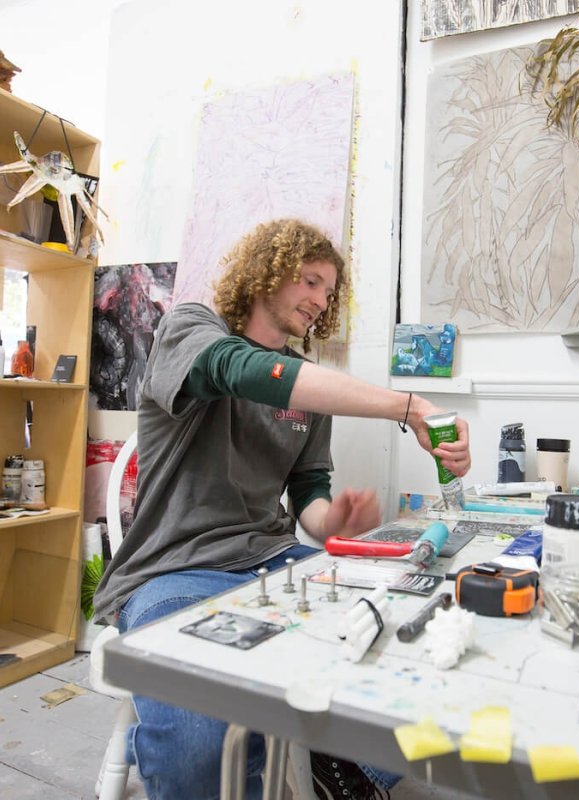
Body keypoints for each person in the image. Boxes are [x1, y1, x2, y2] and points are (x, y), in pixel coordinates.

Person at [93, 218, 471, 800]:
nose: (321, 301)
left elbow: (308, 500)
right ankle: (276, 761)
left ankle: (327, 773)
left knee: (412, 643)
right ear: (266, 273)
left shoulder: (309, 390)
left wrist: (335, 522)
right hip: (174, 570)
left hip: (275, 559)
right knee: (199, 740)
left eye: (329, 291)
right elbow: (240, 370)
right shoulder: (192, 328)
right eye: (310, 281)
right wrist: (408, 404)